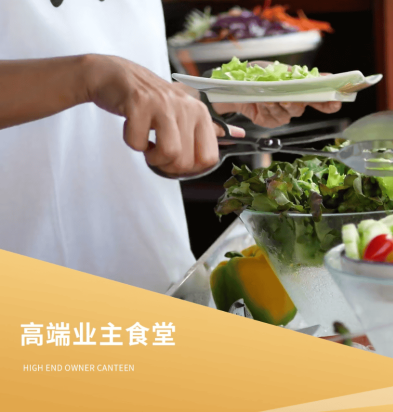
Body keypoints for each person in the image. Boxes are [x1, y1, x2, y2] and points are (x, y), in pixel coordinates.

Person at [0, 1, 340, 293]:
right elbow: (101, 77)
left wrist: (217, 92)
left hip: (159, 278)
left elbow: (123, 93)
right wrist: (87, 75)